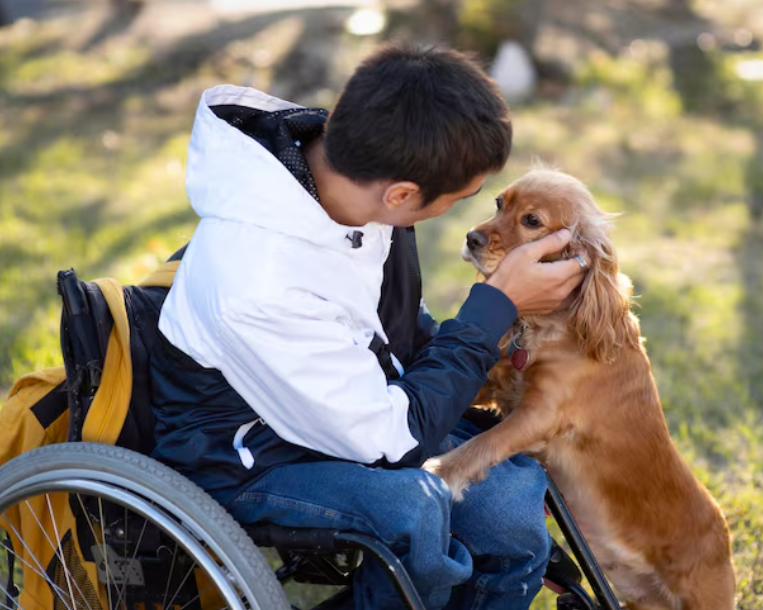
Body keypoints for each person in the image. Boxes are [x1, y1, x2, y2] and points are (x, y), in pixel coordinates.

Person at [149, 42, 587, 610]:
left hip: (344, 405)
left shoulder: (356, 190)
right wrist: (495, 303)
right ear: (403, 194)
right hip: (253, 456)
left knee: (507, 500)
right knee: (414, 508)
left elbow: (396, 333)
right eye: (465, 197)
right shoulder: (258, 281)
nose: (471, 215)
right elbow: (388, 444)